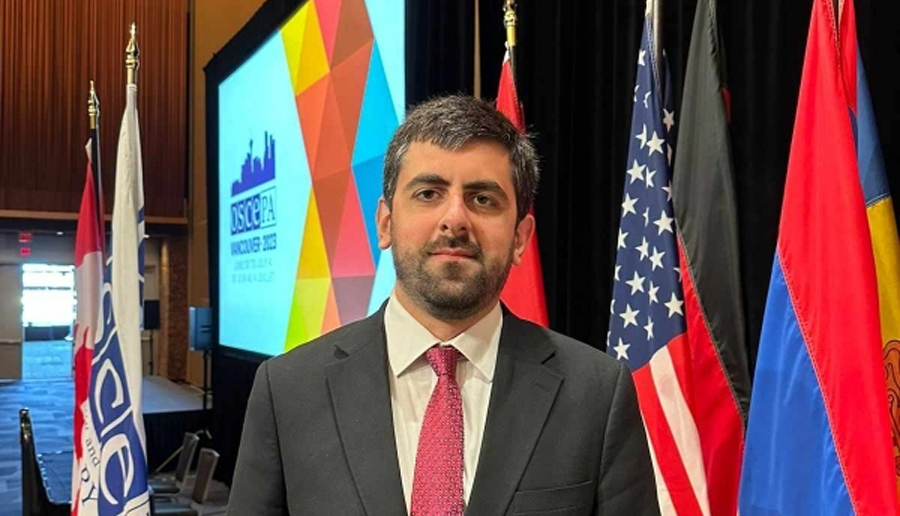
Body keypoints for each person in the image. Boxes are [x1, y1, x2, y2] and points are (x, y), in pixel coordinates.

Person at [226, 95, 659, 516]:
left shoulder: (596, 394)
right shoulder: (288, 391)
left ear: (520, 238)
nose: (454, 220)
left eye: (483, 199)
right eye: (429, 194)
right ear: (385, 223)